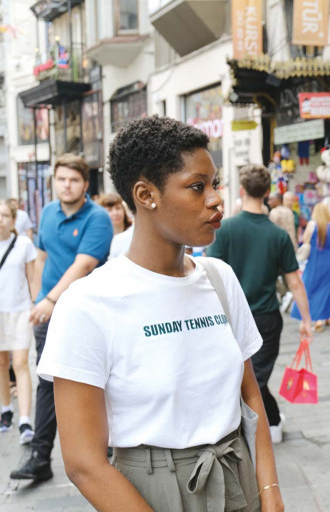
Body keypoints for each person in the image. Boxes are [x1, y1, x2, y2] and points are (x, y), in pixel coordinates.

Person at [34, 116, 284, 511]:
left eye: (215, 184)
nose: (216, 199)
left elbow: (249, 393)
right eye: (197, 187)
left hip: (237, 479)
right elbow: (84, 464)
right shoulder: (87, 304)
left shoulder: (219, 279)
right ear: (146, 195)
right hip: (149, 493)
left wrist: (269, 493)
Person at [10, 153, 113, 481]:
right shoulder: (49, 212)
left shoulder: (97, 218)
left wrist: (52, 299)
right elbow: (41, 258)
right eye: (61, 179)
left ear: (85, 184)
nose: (66, 185)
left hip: (86, 313)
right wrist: (39, 298)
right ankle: (40, 456)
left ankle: (109, 447)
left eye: (73, 180)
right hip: (50, 313)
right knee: (48, 382)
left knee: (99, 380)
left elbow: (84, 264)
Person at [208, 164, 313, 445]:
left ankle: (267, 424)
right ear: (268, 192)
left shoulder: (225, 229)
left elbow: (209, 273)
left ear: (242, 191)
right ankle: (270, 422)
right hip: (266, 318)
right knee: (256, 377)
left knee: (249, 378)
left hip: (228, 318)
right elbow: (294, 282)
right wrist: (306, 319)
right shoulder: (277, 235)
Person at [0, 199, 37, 444]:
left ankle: (25, 419)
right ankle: (6, 410)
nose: (0, 220)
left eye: (4, 216)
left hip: (21, 311)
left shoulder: (23, 244)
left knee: (21, 363)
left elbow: (33, 278)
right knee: (1, 363)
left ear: (13, 220)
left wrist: (36, 306)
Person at [290, 203, 330, 332]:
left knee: (309, 288)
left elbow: (306, 241)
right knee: (326, 289)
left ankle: (308, 316)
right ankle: (322, 317)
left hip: (314, 259)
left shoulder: (312, 225)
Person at [97, 193, 135, 259]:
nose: (115, 213)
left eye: (118, 208)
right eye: (110, 210)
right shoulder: (99, 237)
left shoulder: (134, 231)